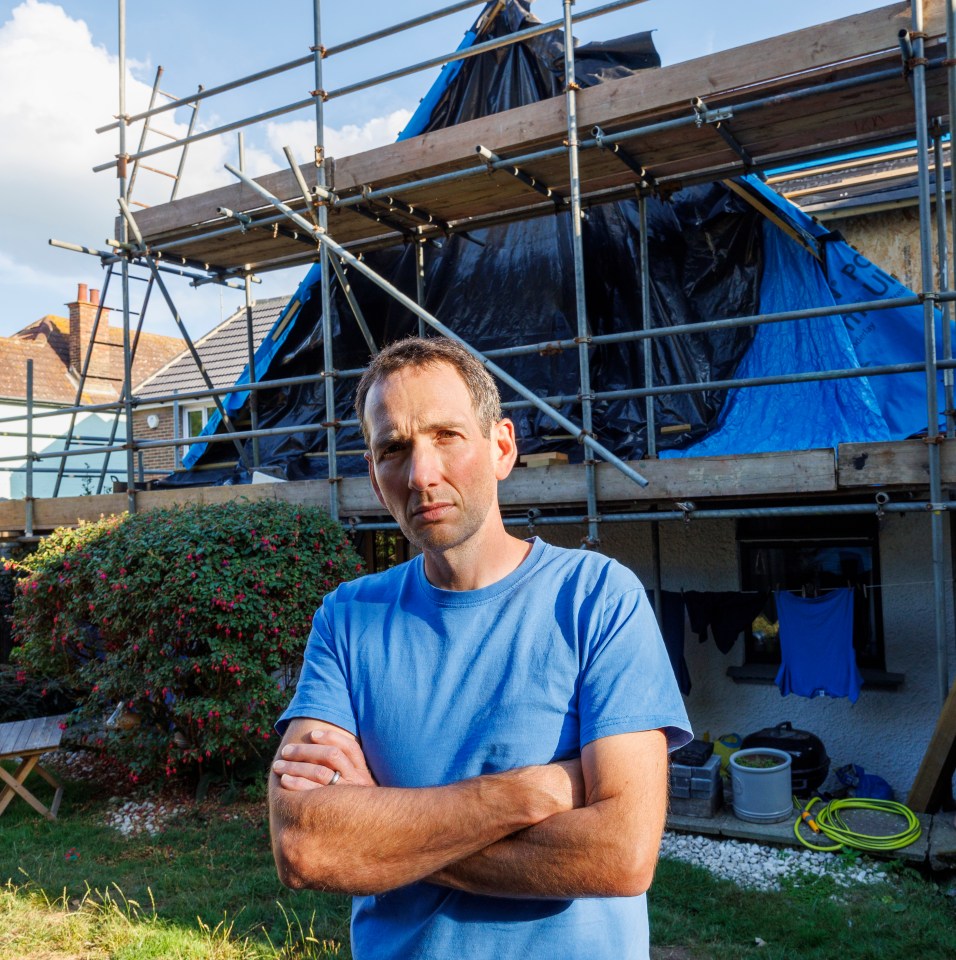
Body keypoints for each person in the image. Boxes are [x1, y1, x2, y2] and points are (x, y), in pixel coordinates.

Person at [270, 336, 692, 960]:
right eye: (394, 448)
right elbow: (306, 846)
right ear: (373, 474)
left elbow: (621, 855)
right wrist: (534, 792)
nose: (421, 475)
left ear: (501, 447)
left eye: (446, 435)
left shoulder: (597, 598)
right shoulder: (348, 618)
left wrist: (384, 829)